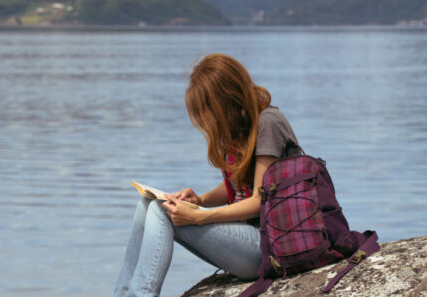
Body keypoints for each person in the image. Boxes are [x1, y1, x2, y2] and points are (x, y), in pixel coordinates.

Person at [114, 53, 305, 297]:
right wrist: (200, 201)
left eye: (209, 110)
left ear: (226, 100)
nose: (208, 119)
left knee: (162, 210)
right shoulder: (240, 125)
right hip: (248, 240)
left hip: (270, 245)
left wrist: (199, 217)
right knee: (147, 204)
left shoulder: (268, 122)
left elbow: (259, 201)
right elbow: (237, 188)